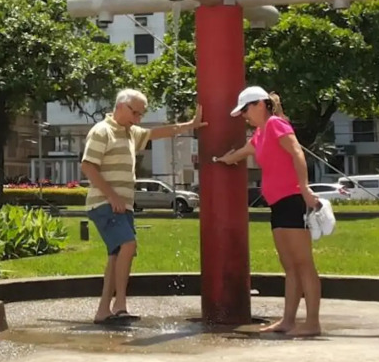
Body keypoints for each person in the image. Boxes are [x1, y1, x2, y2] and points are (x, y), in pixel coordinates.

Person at [81, 89, 203, 325]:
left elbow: (158, 133)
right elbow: (88, 166)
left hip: (122, 206)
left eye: (140, 115)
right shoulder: (102, 131)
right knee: (128, 245)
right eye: (134, 113)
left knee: (117, 255)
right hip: (105, 204)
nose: (137, 119)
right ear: (120, 106)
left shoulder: (130, 133)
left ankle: (104, 310)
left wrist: (190, 124)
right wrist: (112, 196)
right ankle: (120, 305)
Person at [214, 86, 324, 337]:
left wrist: (305, 188)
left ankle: (313, 323)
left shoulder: (276, 125)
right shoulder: (260, 135)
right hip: (277, 204)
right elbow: (240, 154)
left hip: (293, 200)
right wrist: (221, 159)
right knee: (290, 266)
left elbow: (297, 152)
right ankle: (288, 320)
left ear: (259, 105)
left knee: (304, 263)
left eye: (245, 110)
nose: (243, 116)